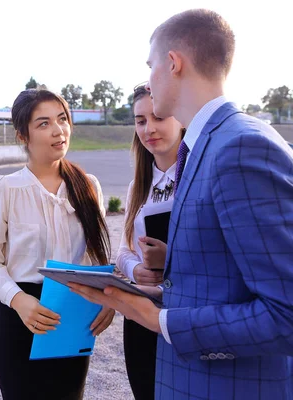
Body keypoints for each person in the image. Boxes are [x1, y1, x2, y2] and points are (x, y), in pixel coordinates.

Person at [69, 9, 293, 399]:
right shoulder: (208, 145)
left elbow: (284, 313)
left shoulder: (241, 146)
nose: (150, 78)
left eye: (151, 65)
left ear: (173, 63)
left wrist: (157, 319)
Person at [0, 89, 114, 399]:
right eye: (43, 123)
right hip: (20, 315)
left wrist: (107, 298)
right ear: (22, 135)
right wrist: (20, 301)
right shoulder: (5, 189)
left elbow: (94, 255)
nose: (58, 130)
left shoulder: (88, 186)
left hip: (74, 314)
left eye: (62, 119)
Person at [116, 84, 185, 400]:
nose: (149, 128)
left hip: (182, 313)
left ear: (180, 118)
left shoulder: (198, 175)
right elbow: (123, 251)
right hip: (141, 312)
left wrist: (169, 260)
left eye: (158, 117)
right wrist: (135, 271)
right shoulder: (136, 186)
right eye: (140, 120)